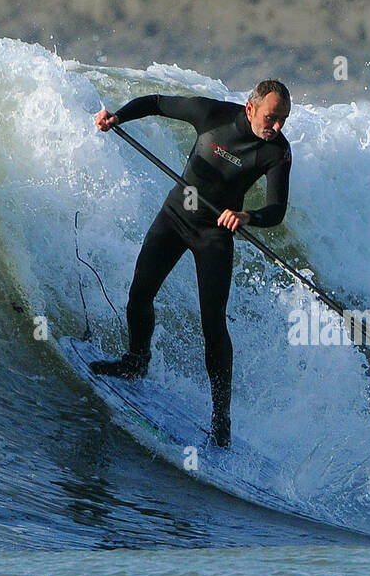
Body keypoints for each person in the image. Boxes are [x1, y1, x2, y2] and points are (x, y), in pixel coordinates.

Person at [92, 80, 292, 447]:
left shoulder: (277, 152)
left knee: (213, 324)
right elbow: (155, 102)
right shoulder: (212, 115)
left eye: (283, 120)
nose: (276, 127)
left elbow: (277, 210)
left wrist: (247, 217)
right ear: (251, 109)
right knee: (139, 294)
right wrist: (117, 117)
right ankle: (136, 361)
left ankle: (221, 418)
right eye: (271, 117)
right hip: (174, 217)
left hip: (214, 235)